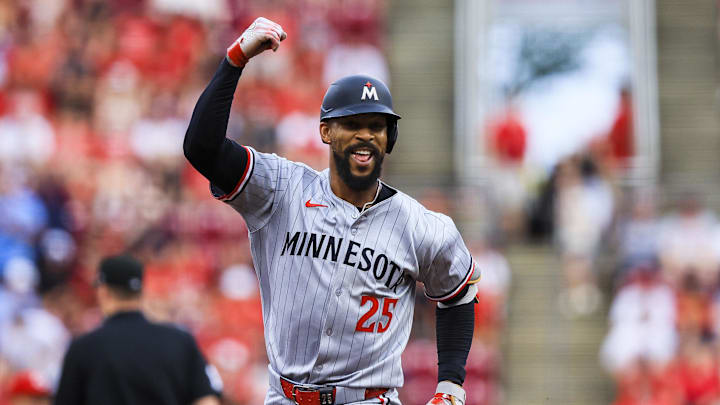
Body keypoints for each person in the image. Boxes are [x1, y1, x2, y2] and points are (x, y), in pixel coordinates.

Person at [184, 17, 480, 405]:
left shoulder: (421, 225)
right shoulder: (282, 189)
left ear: (389, 138)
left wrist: (451, 384)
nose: (366, 135)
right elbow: (202, 149)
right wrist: (234, 60)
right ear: (326, 131)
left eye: (377, 126)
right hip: (285, 397)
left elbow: (458, 292)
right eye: (352, 123)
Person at [53, 255, 222, 405]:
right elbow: (206, 400)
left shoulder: (83, 347)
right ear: (141, 291)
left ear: (103, 291)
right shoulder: (180, 340)